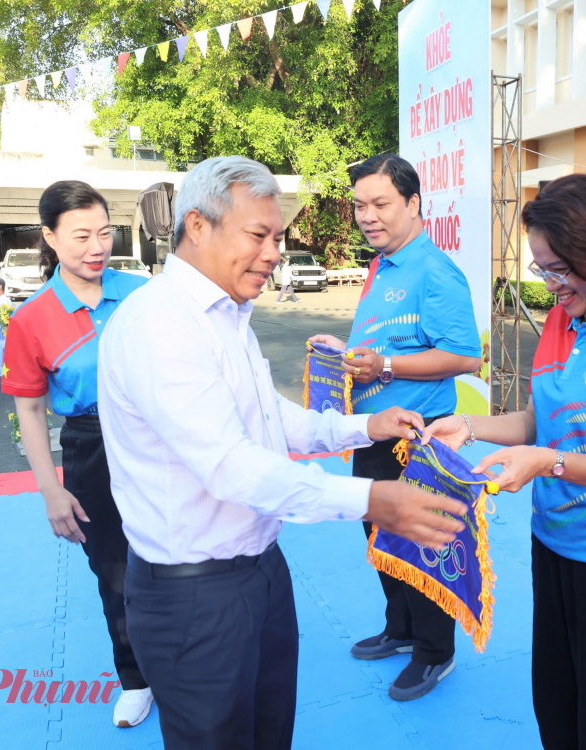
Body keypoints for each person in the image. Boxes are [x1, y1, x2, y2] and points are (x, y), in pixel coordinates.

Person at [97, 155, 469, 750]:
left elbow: (268, 419)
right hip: (194, 594)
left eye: (278, 237)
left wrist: (364, 426)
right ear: (198, 226)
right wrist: (374, 499)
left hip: (261, 571)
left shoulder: (227, 315)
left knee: (270, 732)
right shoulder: (160, 325)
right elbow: (232, 465)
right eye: (259, 236)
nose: (274, 253)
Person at [422, 173, 586, 748]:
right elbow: (535, 422)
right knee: (557, 707)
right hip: (554, 544)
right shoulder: (559, 322)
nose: (550, 285)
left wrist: (546, 463)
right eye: (542, 270)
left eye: (560, 269)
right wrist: (468, 427)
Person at [308, 154, 482, 702]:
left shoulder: (435, 271)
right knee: (382, 537)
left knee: (421, 543)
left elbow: (465, 356)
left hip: (419, 437)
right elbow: (388, 343)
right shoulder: (384, 265)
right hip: (374, 430)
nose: (367, 216)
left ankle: (436, 651)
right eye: (360, 205)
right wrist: (349, 355)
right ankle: (402, 630)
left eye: (380, 204)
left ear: (413, 204)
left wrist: (385, 367)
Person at [1, 181, 152, 728]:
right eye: (82, 235)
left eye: (105, 232)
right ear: (50, 237)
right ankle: (135, 678)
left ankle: (186, 661)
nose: (97, 246)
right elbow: (32, 412)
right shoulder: (31, 319)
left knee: (179, 555)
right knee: (115, 572)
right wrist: (50, 490)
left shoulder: (143, 293)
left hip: (158, 440)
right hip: (91, 447)